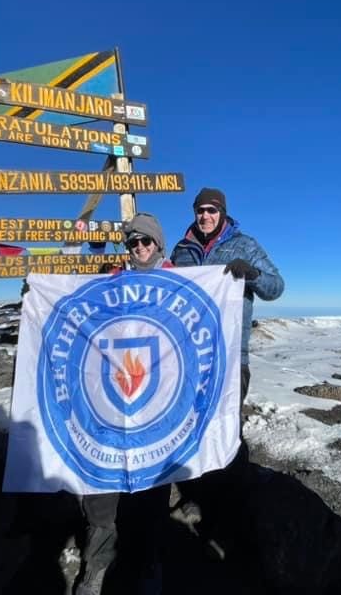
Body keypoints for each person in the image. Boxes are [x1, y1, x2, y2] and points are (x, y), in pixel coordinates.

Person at [169, 186, 284, 559]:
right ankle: (198, 498)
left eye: (212, 210)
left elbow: (276, 288)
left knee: (227, 431)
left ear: (222, 213)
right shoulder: (182, 250)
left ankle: (231, 511)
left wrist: (250, 274)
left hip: (233, 356)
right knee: (193, 428)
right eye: (200, 210)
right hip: (191, 359)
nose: (205, 216)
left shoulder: (244, 244)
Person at [75, 212, 171, 595]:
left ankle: (149, 564)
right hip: (112, 406)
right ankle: (95, 567)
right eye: (133, 243)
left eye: (146, 242)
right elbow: (82, 319)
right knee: (102, 490)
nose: (140, 248)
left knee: (154, 490)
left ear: (158, 244)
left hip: (160, 406)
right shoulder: (112, 283)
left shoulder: (178, 285)